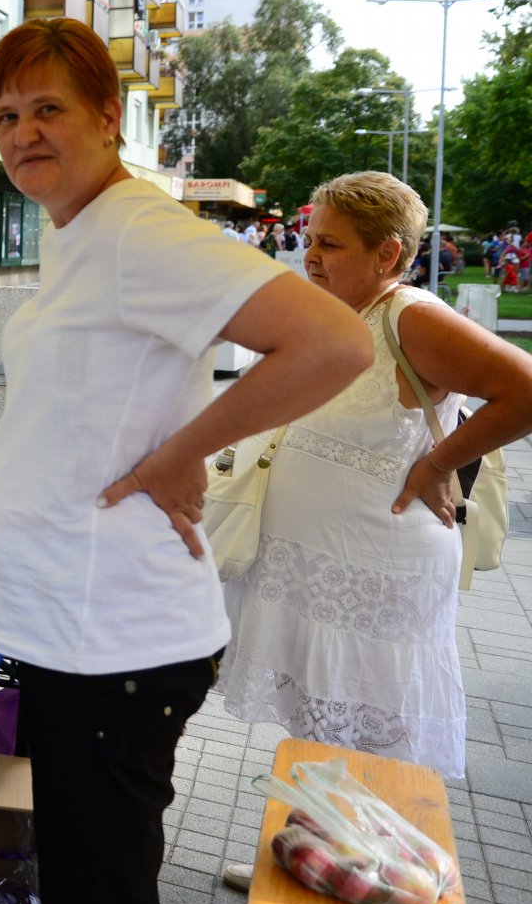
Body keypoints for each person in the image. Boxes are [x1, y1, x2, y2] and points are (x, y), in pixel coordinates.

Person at [0, 19, 371, 904]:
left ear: (109, 117)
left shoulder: (135, 230)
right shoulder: (79, 227)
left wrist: (181, 455)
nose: (23, 133)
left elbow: (333, 342)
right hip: (74, 625)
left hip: (109, 639)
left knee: (100, 895)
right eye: (5, 116)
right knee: (82, 878)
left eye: (48, 109)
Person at [220, 173, 532, 813]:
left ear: (386, 254)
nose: (310, 255)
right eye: (311, 239)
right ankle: (318, 845)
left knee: (372, 736)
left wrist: (436, 464)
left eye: (331, 245)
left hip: (373, 577)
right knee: (320, 724)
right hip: (316, 567)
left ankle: (365, 868)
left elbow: (524, 388)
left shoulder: (412, 317)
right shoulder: (339, 310)